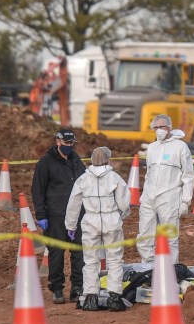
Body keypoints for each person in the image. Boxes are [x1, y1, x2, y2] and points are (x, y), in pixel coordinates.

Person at [65, 146, 131, 312]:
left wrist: (70, 225)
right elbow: (124, 201)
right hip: (111, 221)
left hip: (90, 221)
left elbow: (73, 203)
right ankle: (114, 297)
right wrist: (122, 214)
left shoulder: (83, 179)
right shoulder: (114, 178)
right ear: (108, 160)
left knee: (90, 260)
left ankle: (90, 298)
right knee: (115, 260)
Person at [31, 127, 85, 304]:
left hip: (77, 214)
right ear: (58, 142)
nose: (69, 146)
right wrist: (41, 214)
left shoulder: (76, 160)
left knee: (79, 251)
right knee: (56, 253)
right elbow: (37, 189)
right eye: (66, 142)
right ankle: (57, 288)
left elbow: (85, 183)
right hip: (56, 214)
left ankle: (77, 287)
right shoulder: (46, 162)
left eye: (71, 143)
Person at [137, 114, 194, 265]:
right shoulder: (152, 147)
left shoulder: (180, 147)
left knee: (170, 236)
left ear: (169, 127)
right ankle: (148, 267)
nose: (158, 130)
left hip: (170, 198)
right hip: (149, 197)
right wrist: (144, 196)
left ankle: (171, 269)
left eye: (161, 127)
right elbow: (149, 174)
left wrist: (185, 202)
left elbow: (188, 176)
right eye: (155, 128)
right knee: (145, 235)